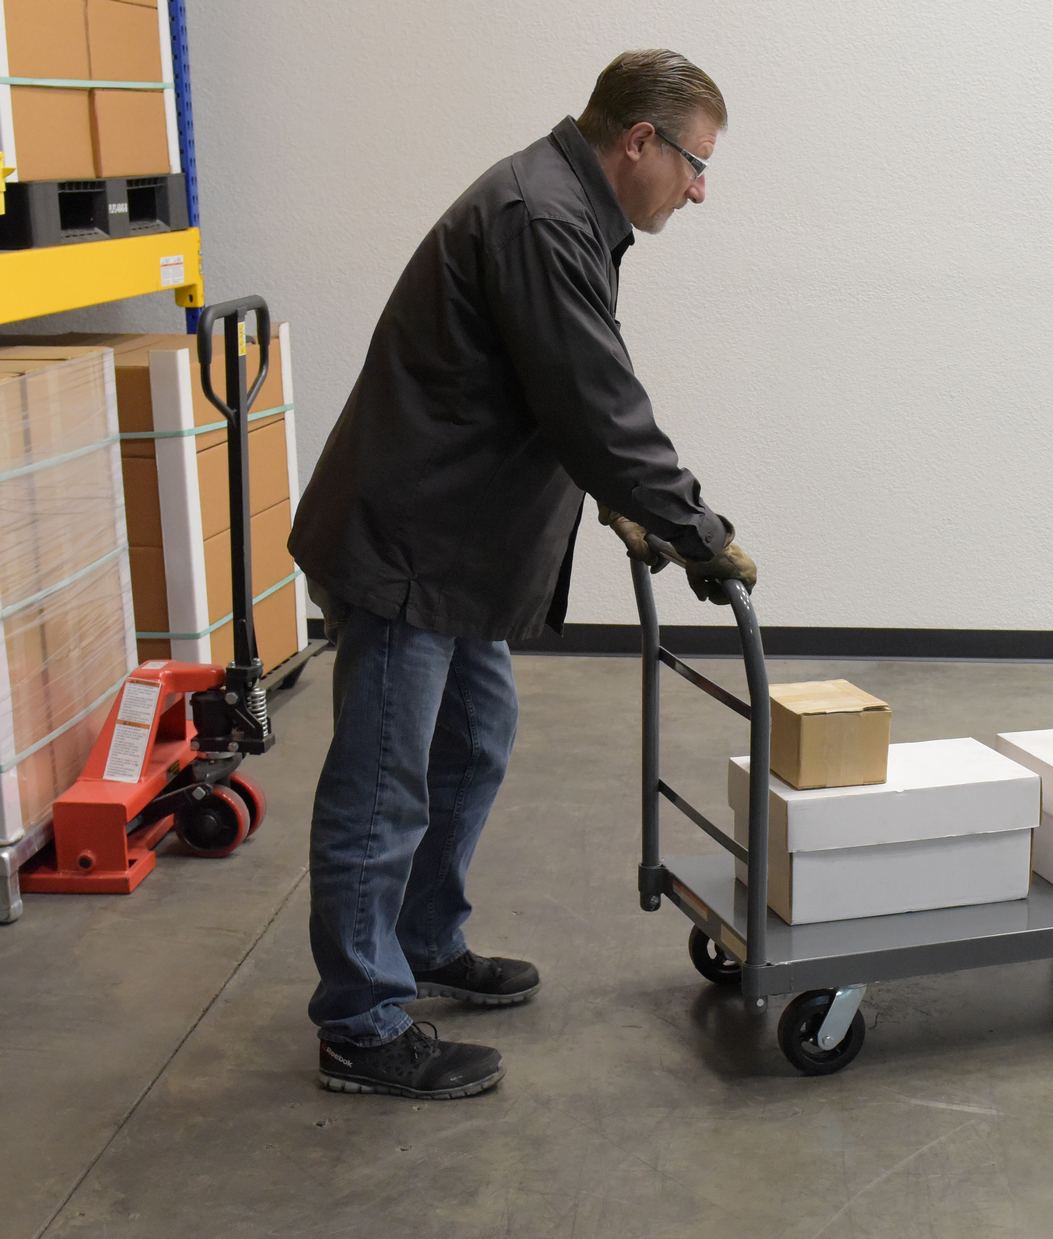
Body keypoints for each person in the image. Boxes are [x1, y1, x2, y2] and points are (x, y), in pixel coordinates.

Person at [288, 49, 756, 1100]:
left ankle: (420, 938)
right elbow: (595, 402)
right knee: (382, 786)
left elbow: (553, 387)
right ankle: (360, 1022)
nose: (698, 189)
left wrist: (626, 502)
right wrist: (693, 528)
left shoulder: (564, 208)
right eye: (695, 163)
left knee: (474, 742)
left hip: (453, 546)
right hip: (413, 546)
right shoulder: (542, 217)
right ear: (639, 141)